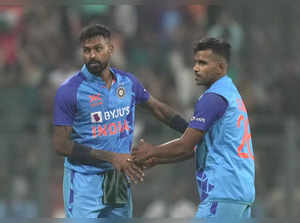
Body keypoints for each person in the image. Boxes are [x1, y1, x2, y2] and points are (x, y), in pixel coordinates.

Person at [52, 24, 188, 218]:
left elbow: (157, 108)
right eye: (87, 50)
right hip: (85, 181)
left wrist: (191, 131)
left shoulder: (128, 82)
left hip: (117, 178)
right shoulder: (70, 90)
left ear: (111, 49)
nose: (91, 55)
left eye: (97, 49)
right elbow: (60, 145)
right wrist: (111, 157)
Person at [132, 37, 255, 220]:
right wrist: (158, 158)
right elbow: (198, 147)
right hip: (238, 194)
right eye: (196, 62)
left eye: (203, 63)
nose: (196, 68)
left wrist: (152, 151)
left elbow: (185, 145)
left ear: (220, 67)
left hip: (222, 193)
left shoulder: (213, 97)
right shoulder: (230, 93)